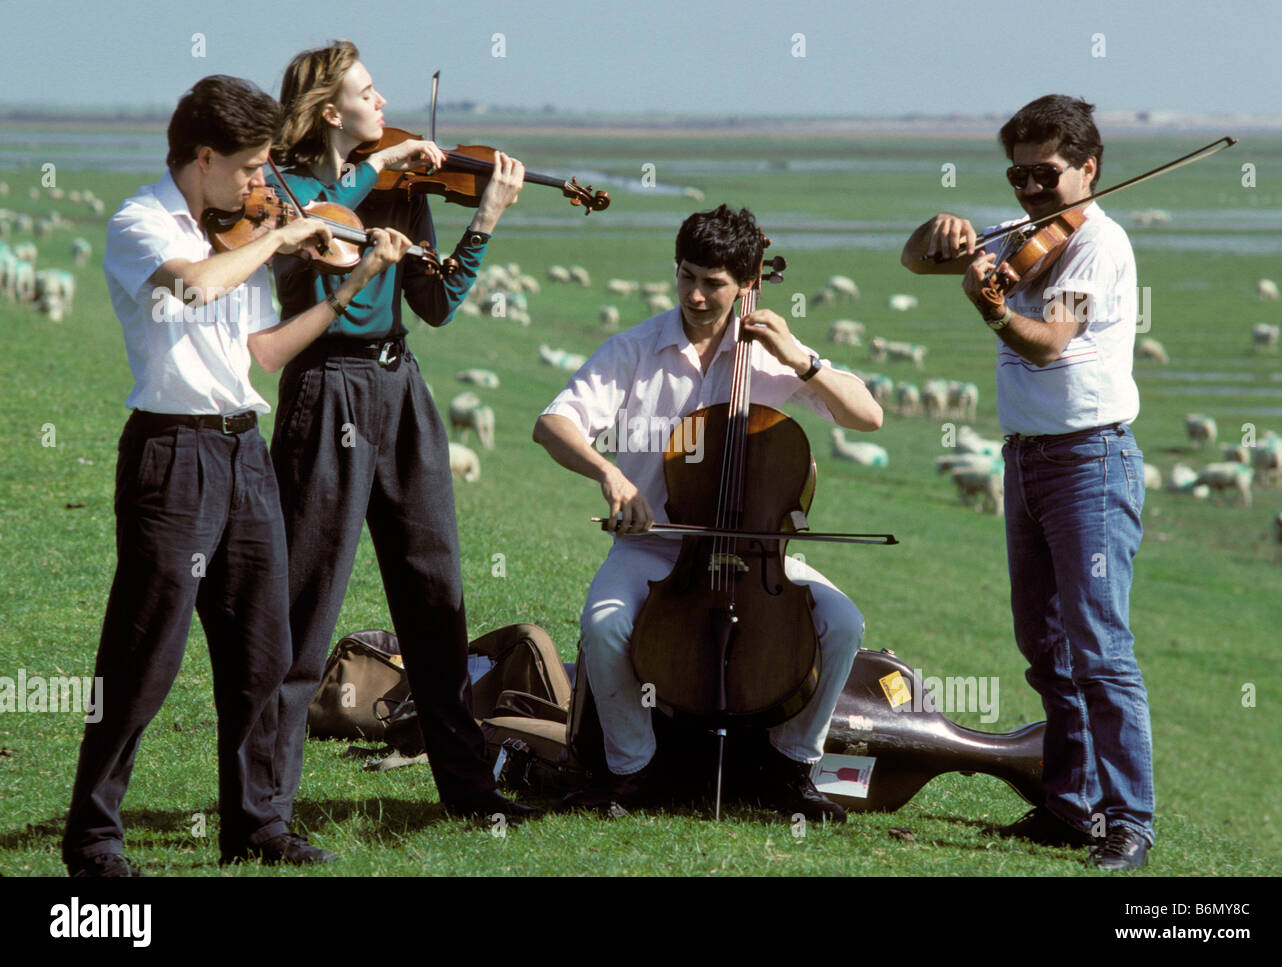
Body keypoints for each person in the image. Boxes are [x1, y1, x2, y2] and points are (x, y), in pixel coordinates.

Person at [63, 74, 406, 876]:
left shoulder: (236, 233)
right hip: (171, 453)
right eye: (251, 167)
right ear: (204, 157)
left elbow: (262, 355)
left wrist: (347, 286)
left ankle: (256, 824)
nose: (261, 183)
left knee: (264, 647)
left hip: (244, 450)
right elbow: (191, 286)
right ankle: (93, 837)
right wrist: (278, 241)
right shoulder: (141, 223)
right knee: (144, 654)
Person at [256, 40, 534, 830]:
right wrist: (380, 171)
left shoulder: (405, 187)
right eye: (369, 92)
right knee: (304, 611)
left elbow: (436, 305)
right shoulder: (287, 187)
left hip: (399, 386)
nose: (386, 104)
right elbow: (324, 244)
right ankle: (266, 811)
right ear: (329, 110)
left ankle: (471, 794)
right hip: (325, 391)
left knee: (435, 595)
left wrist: (482, 219)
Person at [533, 204, 883, 821]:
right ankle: (632, 770)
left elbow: (868, 417)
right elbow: (552, 424)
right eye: (686, 276)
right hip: (652, 546)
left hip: (759, 556)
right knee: (605, 625)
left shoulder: (773, 355)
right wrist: (611, 474)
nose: (695, 295)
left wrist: (803, 359)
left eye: (713, 282)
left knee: (844, 623)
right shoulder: (634, 349)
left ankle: (791, 766)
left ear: (748, 284)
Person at [900, 94, 1154, 870]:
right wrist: (939, 232)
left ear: (1089, 166)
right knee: (1042, 643)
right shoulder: (1024, 235)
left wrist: (995, 312)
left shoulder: (1100, 248)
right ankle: (1069, 806)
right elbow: (914, 260)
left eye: (1046, 174)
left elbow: (1047, 342)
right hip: (1029, 457)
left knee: (1099, 645)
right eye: (1018, 178)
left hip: (1089, 460)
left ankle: (1129, 820)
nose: (1032, 192)